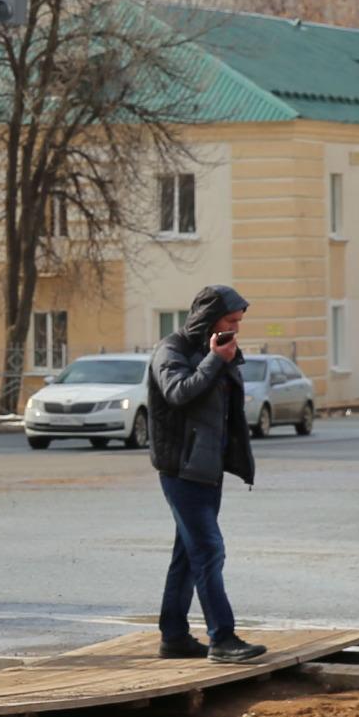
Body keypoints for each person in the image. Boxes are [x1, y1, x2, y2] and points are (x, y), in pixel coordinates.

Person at [146, 285, 269, 666]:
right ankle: (223, 637)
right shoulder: (172, 349)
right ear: (210, 318)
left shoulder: (214, 351)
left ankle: (174, 636)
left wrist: (223, 359)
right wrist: (216, 360)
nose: (236, 327)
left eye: (239, 322)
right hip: (181, 469)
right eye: (231, 320)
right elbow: (178, 392)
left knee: (188, 554)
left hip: (207, 467)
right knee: (208, 550)